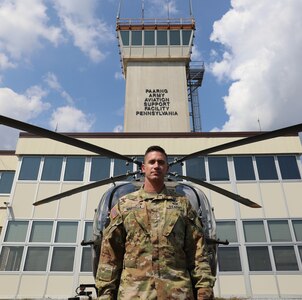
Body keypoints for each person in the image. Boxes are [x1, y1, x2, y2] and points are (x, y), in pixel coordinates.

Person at [96, 145, 215, 299]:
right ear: (144, 168)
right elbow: (109, 255)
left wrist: (204, 293)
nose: (156, 166)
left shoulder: (182, 205)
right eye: (152, 162)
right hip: (135, 294)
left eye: (161, 162)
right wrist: (105, 295)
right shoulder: (125, 205)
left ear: (166, 168)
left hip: (177, 294)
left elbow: (198, 254)